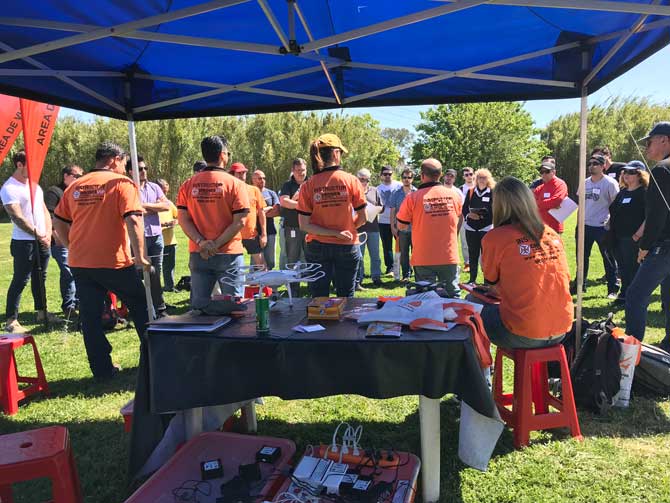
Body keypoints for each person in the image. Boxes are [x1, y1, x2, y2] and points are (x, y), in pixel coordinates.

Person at [53, 141, 149, 380]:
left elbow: (59, 222)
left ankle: (101, 370)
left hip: (81, 263)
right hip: (113, 261)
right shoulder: (122, 184)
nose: (125, 168)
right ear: (115, 159)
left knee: (90, 317)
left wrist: (71, 246)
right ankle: (153, 360)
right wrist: (140, 256)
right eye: (125, 163)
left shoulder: (76, 185)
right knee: (141, 307)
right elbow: (134, 220)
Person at [479, 176, 573, 349]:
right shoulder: (551, 233)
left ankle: (481, 373)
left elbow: (492, 283)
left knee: (472, 306)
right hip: (562, 329)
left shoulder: (495, 237)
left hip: (524, 332)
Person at [177, 136, 249, 307]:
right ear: (223, 155)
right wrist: (215, 244)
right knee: (235, 307)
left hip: (199, 252)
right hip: (229, 254)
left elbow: (183, 219)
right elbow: (240, 222)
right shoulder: (236, 184)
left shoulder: (188, 184)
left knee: (199, 308)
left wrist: (202, 242)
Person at [297, 134, 366, 297]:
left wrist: (333, 233)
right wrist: (345, 230)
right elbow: (363, 218)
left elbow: (304, 225)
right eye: (340, 152)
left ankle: (318, 323)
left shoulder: (308, 185)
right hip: (347, 245)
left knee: (318, 298)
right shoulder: (351, 180)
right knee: (346, 297)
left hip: (317, 247)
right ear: (335, 153)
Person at [1, 151, 61, 333]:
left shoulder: (34, 186)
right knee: (21, 279)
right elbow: (17, 217)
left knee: (40, 277)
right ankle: (11, 319)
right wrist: (37, 234)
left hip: (42, 239)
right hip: (23, 243)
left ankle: (42, 312)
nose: (35, 170)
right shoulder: (9, 188)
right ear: (20, 165)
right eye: (31, 165)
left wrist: (48, 232)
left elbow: (43, 210)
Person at [625, 122, 670, 351]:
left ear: (664, 140)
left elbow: (656, 214)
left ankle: (631, 354)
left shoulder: (662, 170)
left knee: (635, 295)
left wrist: (645, 246)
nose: (646, 148)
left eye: (649, 142)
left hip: (664, 247)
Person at [396, 158, 462, 297]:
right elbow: (459, 217)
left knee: (426, 298)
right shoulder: (454, 195)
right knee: (453, 297)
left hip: (423, 257)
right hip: (448, 255)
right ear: (440, 175)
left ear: (422, 175)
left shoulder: (412, 198)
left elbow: (401, 225)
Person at [126, 157, 170, 317]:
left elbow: (166, 206)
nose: (143, 171)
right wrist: (154, 207)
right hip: (138, 238)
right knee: (138, 274)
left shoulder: (154, 187)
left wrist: (144, 206)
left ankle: (160, 308)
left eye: (145, 168)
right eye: (139, 169)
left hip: (156, 236)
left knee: (156, 273)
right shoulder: (129, 188)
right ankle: (139, 308)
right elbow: (130, 211)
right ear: (131, 171)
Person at [575, 154, 619, 297]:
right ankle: (580, 285)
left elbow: (616, 205)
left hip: (602, 227)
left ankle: (612, 288)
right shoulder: (585, 183)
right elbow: (581, 204)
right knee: (581, 257)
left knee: (608, 258)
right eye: (590, 163)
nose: (591, 166)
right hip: (584, 226)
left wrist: (611, 225)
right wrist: (578, 224)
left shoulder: (610, 183)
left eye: (595, 163)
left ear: (602, 166)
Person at [45, 164, 83, 317]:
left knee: (78, 271)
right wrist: (57, 237)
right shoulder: (54, 192)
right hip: (61, 241)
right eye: (76, 176)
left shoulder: (77, 191)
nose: (79, 179)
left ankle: (78, 302)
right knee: (69, 272)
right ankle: (68, 306)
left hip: (78, 238)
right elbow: (50, 216)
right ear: (66, 176)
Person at [608, 161, 647, 305]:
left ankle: (632, 297)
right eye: (624, 172)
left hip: (633, 238)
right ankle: (624, 293)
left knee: (633, 269)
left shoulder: (644, 192)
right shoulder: (622, 192)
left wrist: (637, 234)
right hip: (618, 236)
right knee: (622, 268)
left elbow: (649, 216)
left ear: (639, 175)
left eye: (630, 173)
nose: (626, 175)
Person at [230, 162, 267, 267]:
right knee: (232, 266)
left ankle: (264, 284)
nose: (242, 176)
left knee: (261, 264)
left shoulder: (254, 190)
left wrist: (264, 234)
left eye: (244, 173)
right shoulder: (228, 191)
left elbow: (261, 213)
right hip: (233, 235)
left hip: (251, 235)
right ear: (232, 174)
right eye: (239, 173)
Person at [280, 159, 308, 294]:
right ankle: (293, 288)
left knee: (311, 256)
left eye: (303, 170)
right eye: (298, 170)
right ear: (293, 171)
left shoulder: (311, 183)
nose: (301, 173)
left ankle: (312, 287)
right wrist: (299, 203)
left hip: (310, 227)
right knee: (292, 257)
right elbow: (284, 202)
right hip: (292, 227)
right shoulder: (287, 185)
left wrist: (296, 202)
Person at [463, 168, 495, 284]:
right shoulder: (471, 192)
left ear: (488, 179)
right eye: (479, 177)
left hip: (486, 228)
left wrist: (481, 217)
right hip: (471, 228)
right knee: (473, 254)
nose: (481, 180)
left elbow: (494, 211)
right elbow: (464, 208)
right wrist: (469, 215)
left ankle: (487, 280)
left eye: (484, 178)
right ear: (476, 179)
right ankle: (472, 279)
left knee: (486, 256)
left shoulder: (492, 192)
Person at [355, 168, 382, 290]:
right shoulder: (354, 191)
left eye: (367, 180)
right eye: (362, 179)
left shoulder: (375, 191)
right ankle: (358, 279)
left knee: (375, 255)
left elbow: (382, 206)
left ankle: (376, 277)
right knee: (359, 256)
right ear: (357, 179)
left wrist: (377, 209)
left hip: (373, 228)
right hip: (358, 228)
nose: (365, 182)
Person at [390, 167, 416, 282]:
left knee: (416, 252)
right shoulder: (396, 193)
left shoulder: (417, 192)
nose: (406, 179)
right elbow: (392, 211)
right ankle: (406, 274)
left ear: (412, 179)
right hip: (401, 228)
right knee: (404, 253)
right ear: (401, 179)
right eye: (404, 177)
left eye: (409, 177)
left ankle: (418, 273)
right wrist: (392, 227)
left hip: (416, 228)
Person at [252, 169, 280, 270]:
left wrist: (260, 213)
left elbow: (277, 211)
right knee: (256, 263)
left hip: (270, 231)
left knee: (270, 261)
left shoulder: (271, 193)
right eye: (259, 178)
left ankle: (268, 284)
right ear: (253, 180)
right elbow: (251, 213)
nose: (262, 180)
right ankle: (255, 284)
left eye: (264, 178)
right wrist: (266, 210)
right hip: (254, 233)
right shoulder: (250, 193)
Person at [377, 165, 402, 275]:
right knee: (387, 246)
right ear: (381, 175)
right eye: (385, 174)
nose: (388, 176)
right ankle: (390, 268)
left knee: (401, 245)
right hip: (383, 221)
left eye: (390, 174)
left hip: (398, 221)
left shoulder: (399, 186)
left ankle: (402, 267)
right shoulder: (378, 189)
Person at [156, 178, 179, 292]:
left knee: (170, 265)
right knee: (157, 267)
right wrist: (162, 225)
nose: (165, 194)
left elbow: (178, 216)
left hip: (170, 240)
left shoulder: (169, 203)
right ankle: (155, 288)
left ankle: (169, 286)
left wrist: (175, 222)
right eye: (162, 191)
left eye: (166, 191)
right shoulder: (152, 204)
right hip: (156, 241)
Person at [533, 161, 568, 233]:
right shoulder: (540, 188)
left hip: (554, 227)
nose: (544, 174)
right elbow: (531, 203)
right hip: (541, 226)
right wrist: (549, 204)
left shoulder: (560, 184)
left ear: (554, 172)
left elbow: (556, 201)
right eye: (542, 172)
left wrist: (539, 204)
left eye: (547, 171)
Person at [460, 167, 475, 272]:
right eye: (466, 175)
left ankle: (481, 262)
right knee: (465, 242)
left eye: (470, 174)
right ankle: (467, 263)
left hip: (479, 219)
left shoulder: (479, 186)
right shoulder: (460, 189)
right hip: (464, 219)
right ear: (463, 177)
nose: (469, 176)